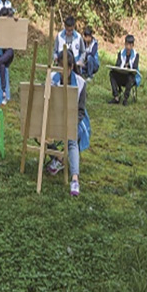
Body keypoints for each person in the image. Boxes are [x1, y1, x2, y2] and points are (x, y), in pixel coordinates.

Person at [45, 49, 91, 197]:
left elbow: (81, 112)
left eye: (65, 67)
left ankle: (75, 179)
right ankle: (59, 159)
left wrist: (70, 123)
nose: (61, 71)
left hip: (75, 121)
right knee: (40, 132)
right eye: (59, 66)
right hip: (55, 119)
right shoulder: (52, 78)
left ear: (71, 68)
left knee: (71, 138)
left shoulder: (80, 83)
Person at [108, 34, 140, 106]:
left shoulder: (136, 55)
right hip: (122, 75)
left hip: (130, 77)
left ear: (132, 46)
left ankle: (125, 98)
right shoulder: (121, 53)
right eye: (127, 44)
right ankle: (116, 96)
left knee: (130, 77)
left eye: (130, 45)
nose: (128, 47)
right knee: (112, 73)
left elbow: (134, 68)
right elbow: (117, 65)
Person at [0, 7, 16, 105]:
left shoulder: (10, 25)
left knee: (0, 62)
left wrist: (15, 20)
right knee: (1, 65)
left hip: (9, 50)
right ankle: (3, 93)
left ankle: (3, 91)